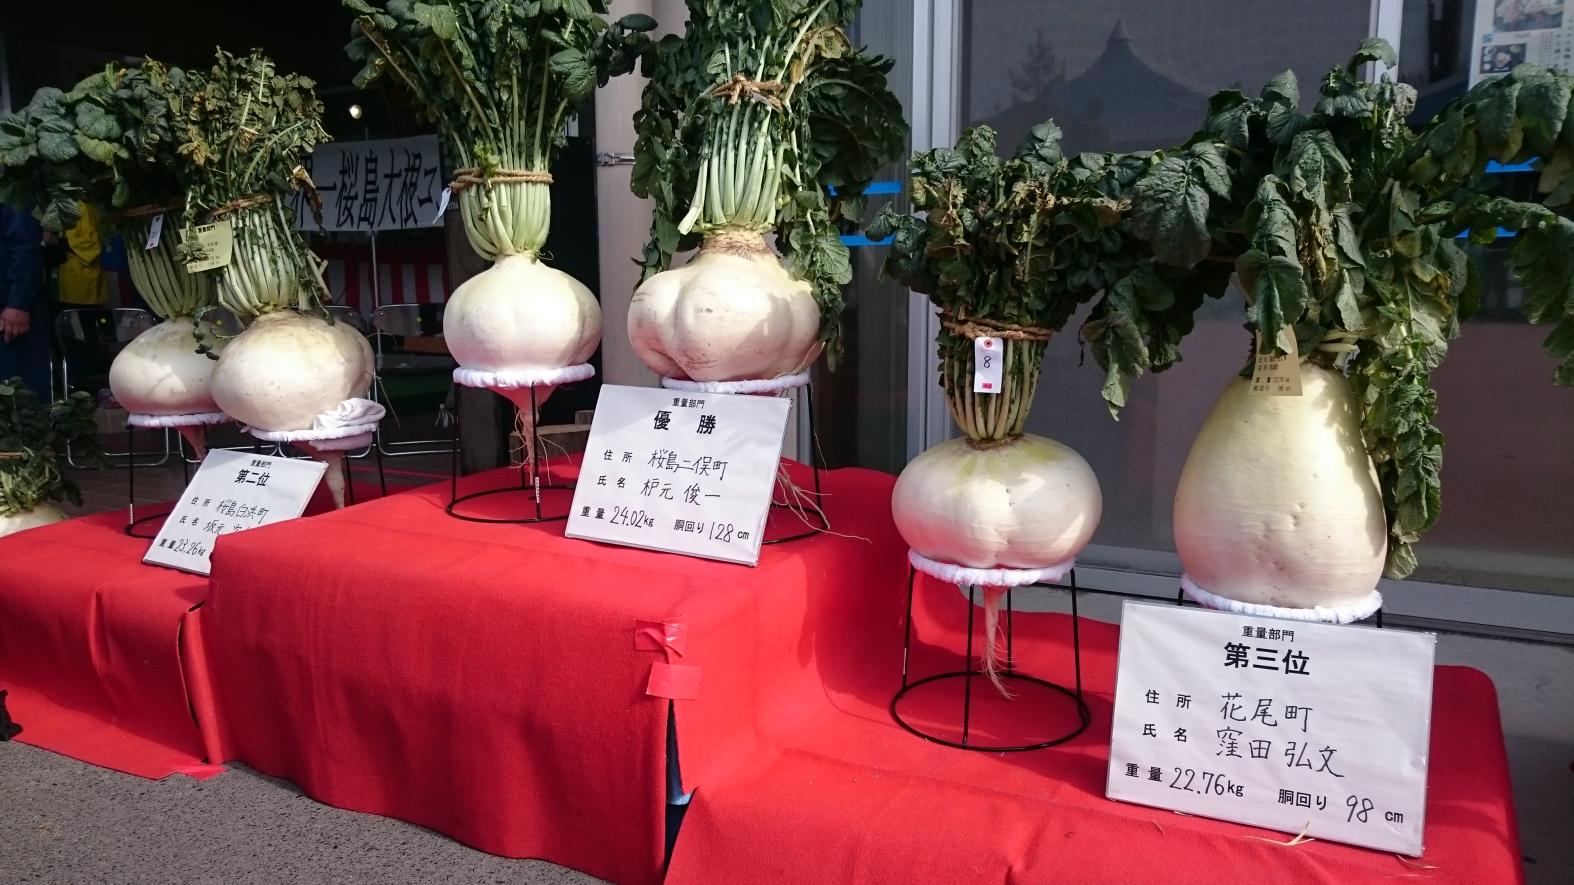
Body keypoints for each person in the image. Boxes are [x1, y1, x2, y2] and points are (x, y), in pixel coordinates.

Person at [0, 201, 51, 398]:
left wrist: (18, 303)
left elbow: (26, 248)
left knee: (22, 396)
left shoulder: (11, 191)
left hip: (12, 311)